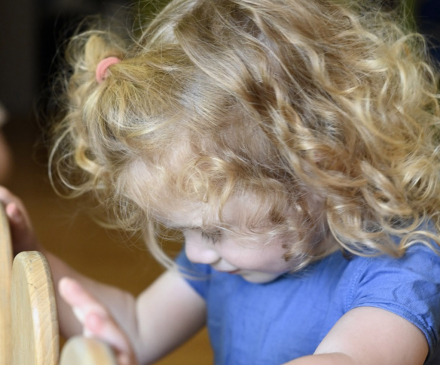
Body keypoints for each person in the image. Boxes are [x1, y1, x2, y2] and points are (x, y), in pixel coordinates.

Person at [2, 0, 440, 364]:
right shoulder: (230, 260)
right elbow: (133, 328)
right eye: (186, 231)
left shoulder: (402, 264)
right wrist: (27, 253)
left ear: (317, 168)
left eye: (211, 229)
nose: (195, 252)